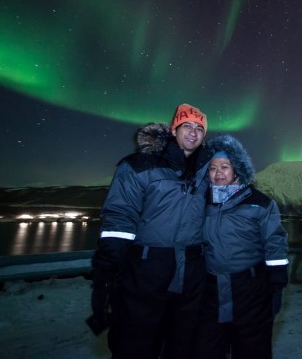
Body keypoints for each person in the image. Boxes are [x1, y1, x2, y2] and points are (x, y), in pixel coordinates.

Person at [88, 103, 212, 358]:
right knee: (136, 342)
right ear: (174, 129)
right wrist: (107, 271)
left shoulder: (209, 172)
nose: (193, 132)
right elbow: (120, 219)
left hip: (192, 272)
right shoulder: (140, 166)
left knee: (183, 344)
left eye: (199, 128)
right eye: (186, 125)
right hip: (146, 270)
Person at [195, 134, 289, 359]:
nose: (218, 174)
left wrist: (276, 288)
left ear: (236, 169)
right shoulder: (201, 202)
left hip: (250, 292)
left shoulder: (260, 203)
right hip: (210, 293)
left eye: (224, 167)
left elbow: (275, 246)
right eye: (212, 168)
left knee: (251, 350)